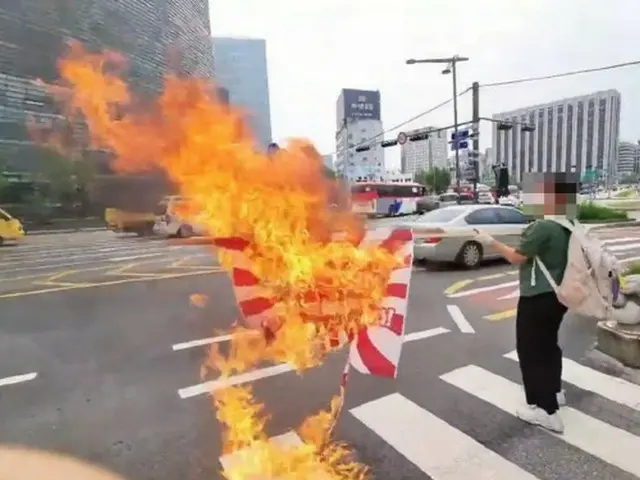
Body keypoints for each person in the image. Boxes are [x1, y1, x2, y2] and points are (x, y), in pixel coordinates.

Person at [474, 173, 576, 434]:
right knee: (549, 346)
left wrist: (490, 242)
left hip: (537, 297)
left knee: (531, 351)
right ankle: (555, 392)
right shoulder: (568, 225)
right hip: (559, 296)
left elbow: (517, 258)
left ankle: (546, 410)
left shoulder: (542, 227)